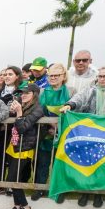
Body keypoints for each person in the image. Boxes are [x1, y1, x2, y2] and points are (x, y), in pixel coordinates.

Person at [60, 65, 105, 208]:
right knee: (89, 161)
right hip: (90, 132)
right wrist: (69, 105)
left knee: (103, 162)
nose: (102, 79)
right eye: (100, 76)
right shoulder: (91, 89)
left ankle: (99, 193)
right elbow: (79, 98)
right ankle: (85, 192)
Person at [4, 83, 44, 209]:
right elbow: (12, 120)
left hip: (24, 147)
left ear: (35, 94)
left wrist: (19, 112)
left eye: (27, 93)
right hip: (14, 145)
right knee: (14, 178)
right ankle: (17, 206)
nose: (23, 95)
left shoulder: (38, 109)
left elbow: (23, 128)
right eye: (22, 93)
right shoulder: (22, 105)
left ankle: (26, 208)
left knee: (13, 178)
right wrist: (12, 111)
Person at [33, 63, 70, 200]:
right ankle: (40, 189)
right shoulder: (43, 92)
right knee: (43, 162)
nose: (53, 78)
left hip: (64, 134)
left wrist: (59, 127)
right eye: (51, 75)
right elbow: (38, 110)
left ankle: (58, 190)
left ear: (63, 76)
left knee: (59, 164)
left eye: (56, 75)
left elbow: (75, 111)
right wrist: (49, 125)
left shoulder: (71, 91)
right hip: (46, 133)